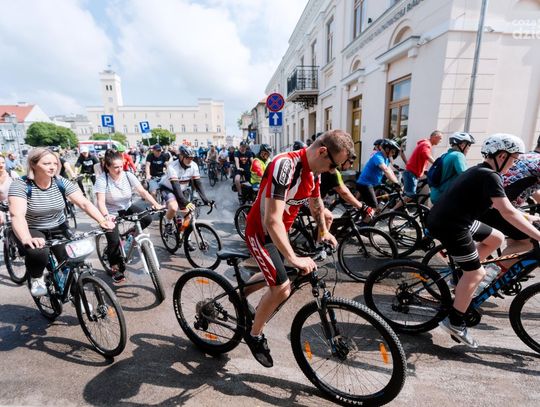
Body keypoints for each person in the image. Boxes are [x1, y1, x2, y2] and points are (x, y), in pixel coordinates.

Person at [243, 129, 354, 367]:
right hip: (261, 232)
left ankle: (240, 293)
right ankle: (254, 335)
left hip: (279, 233)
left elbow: (316, 203)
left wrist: (323, 231)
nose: (333, 171)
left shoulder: (314, 173)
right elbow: (271, 220)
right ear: (322, 152)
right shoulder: (284, 165)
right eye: (333, 165)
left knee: (281, 273)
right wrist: (294, 257)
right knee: (282, 288)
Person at [426, 134, 540, 348]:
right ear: (502, 156)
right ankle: (455, 321)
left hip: (456, 219)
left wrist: (530, 218)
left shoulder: (483, 171)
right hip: (451, 225)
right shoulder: (490, 176)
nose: (514, 164)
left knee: (496, 238)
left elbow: (506, 207)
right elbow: (507, 213)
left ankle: (463, 277)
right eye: (514, 159)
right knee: (476, 274)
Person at [8, 148, 115, 297]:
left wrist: (102, 220)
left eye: (55, 163)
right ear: (33, 164)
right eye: (46, 163)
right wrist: (26, 238)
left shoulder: (60, 182)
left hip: (58, 226)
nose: (52, 167)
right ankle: (37, 277)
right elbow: (17, 215)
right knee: (39, 252)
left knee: (72, 261)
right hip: (32, 228)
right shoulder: (21, 184)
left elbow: (84, 203)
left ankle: (79, 300)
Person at [95, 149, 163, 283]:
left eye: (121, 166)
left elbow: (143, 192)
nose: (120, 169)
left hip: (126, 206)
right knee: (113, 240)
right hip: (110, 211)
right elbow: (100, 202)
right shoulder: (102, 180)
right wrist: (106, 217)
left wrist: (156, 204)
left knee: (147, 218)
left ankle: (131, 233)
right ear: (107, 166)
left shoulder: (128, 175)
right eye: (116, 167)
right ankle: (115, 267)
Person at [159, 146, 212, 234]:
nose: (190, 160)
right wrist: (186, 202)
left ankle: (183, 235)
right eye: (187, 158)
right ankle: (167, 221)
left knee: (188, 216)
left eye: (192, 158)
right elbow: (175, 187)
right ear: (181, 156)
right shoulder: (172, 167)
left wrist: (205, 200)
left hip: (182, 189)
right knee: (173, 207)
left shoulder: (194, 165)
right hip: (168, 188)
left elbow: (198, 183)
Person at [320, 154, 369, 228]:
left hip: (315, 198)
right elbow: (344, 193)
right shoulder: (333, 171)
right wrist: (362, 207)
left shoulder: (334, 169)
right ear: (343, 160)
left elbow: (339, 187)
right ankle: (320, 235)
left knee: (326, 216)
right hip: (309, 200)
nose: (351, 166)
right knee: (328, 218)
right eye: (350, 162)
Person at [430, 132, 475, 204]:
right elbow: (465, 176)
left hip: (435, 194)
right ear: (462, 145)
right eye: (469, 145)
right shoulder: (458, 155)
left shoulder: (445, 155)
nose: (468, 148)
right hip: (446, 198)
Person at [356, 139, 401, 209]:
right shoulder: (378, 156)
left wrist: (397, 182)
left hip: (374, 184)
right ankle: (365, 215)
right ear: (387, 149)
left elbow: (390, 171)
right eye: (392, 152)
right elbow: (385, 170)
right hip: (365, 184)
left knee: (381, 199)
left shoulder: (386, 159)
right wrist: (395, 182)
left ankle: (364, 211)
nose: (393, 154)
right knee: (374, 207)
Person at [403, 130, 443, 199]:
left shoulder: (425, 144)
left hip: (411, 173)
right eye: (440, 138)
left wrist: (424, 170)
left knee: (408, 196)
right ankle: (395, 206)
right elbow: (426, 155)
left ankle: (399, 205)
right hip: (411, 173)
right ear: (435, 137)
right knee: (409, 196)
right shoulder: (426, 144)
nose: (440, 141)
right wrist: (437, 164)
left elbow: (422, 158)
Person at [0, 155, 19, 224]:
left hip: (16, 207)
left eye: (3, 163)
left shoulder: (12, 174)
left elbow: (23, 190)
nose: (1, 165)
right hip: (2, 209)